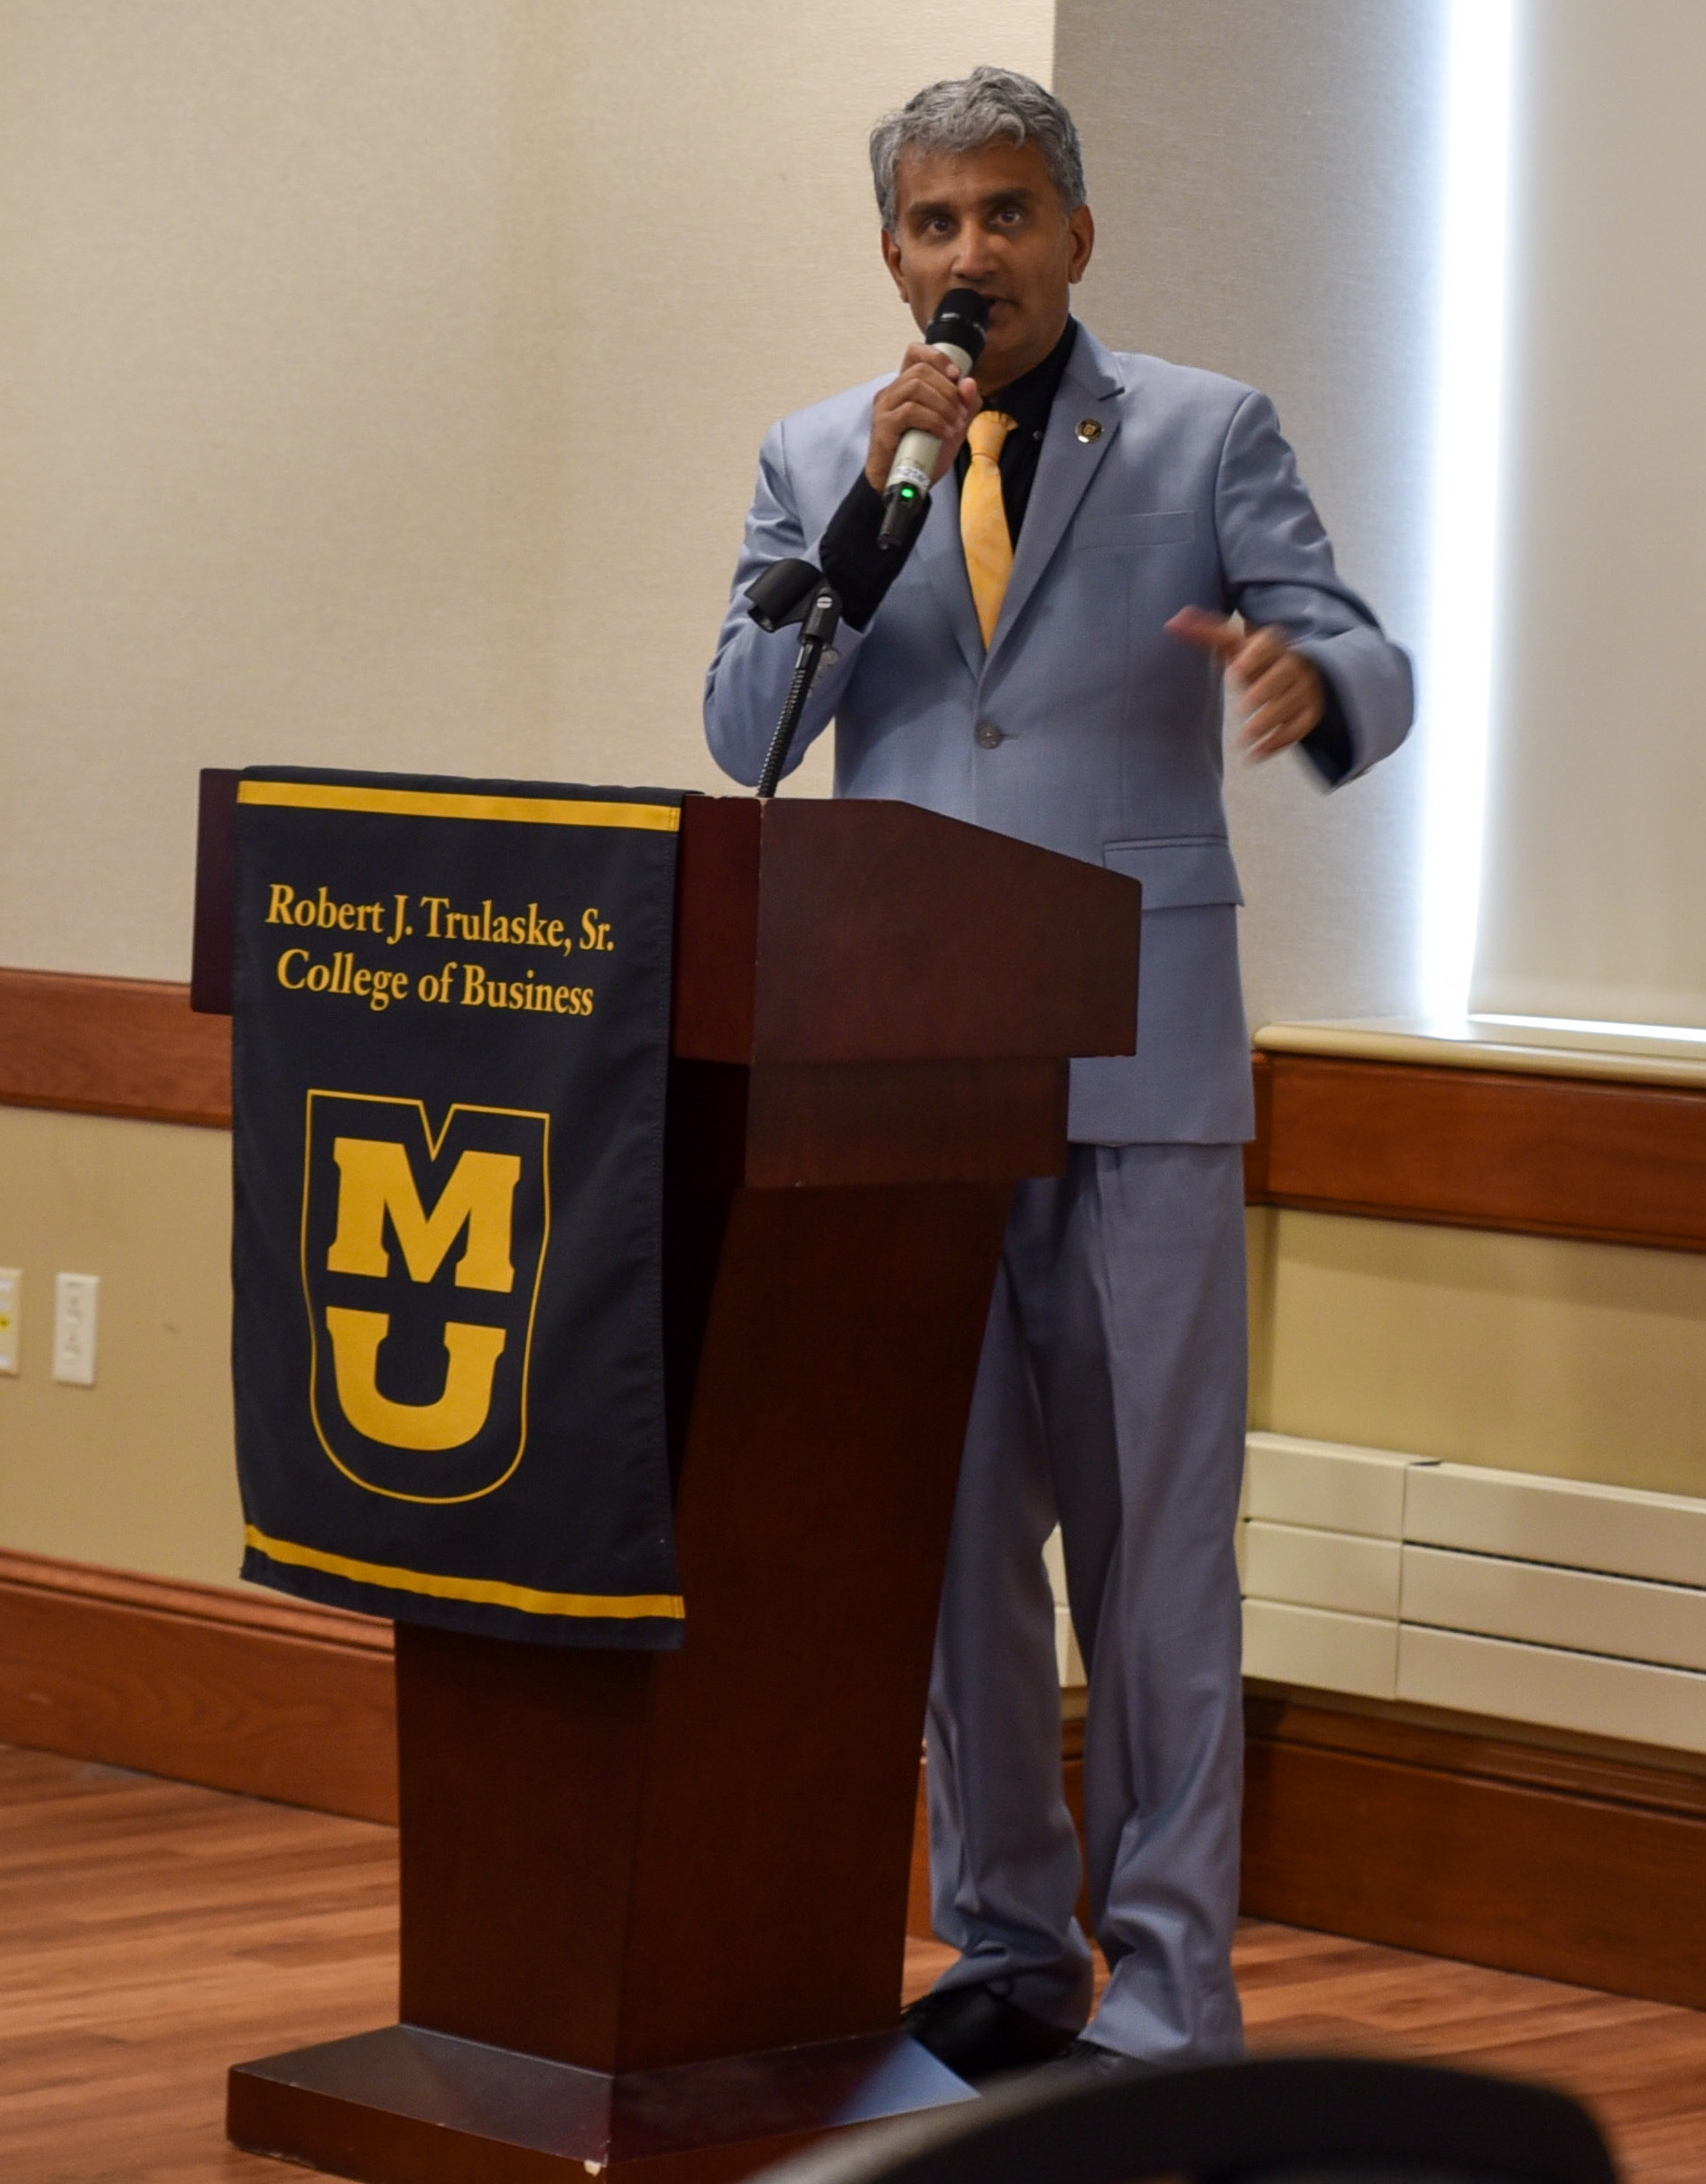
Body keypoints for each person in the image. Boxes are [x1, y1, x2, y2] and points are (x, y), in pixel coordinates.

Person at [703, 68, 1412, 2078]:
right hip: (902, 1095)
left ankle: (1173, 1992)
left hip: (1142, 1073)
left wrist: (1310, 680)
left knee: (1157, 1550)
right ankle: (1008, 1945)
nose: (970, 257)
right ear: (892, 257)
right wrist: (868, 495)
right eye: (933, 224)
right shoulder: (815, 459)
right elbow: (747, 726)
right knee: (945, 1543)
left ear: (1076, 237)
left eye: (1007, 216)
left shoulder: (1204, 432)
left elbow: (1362, 649)